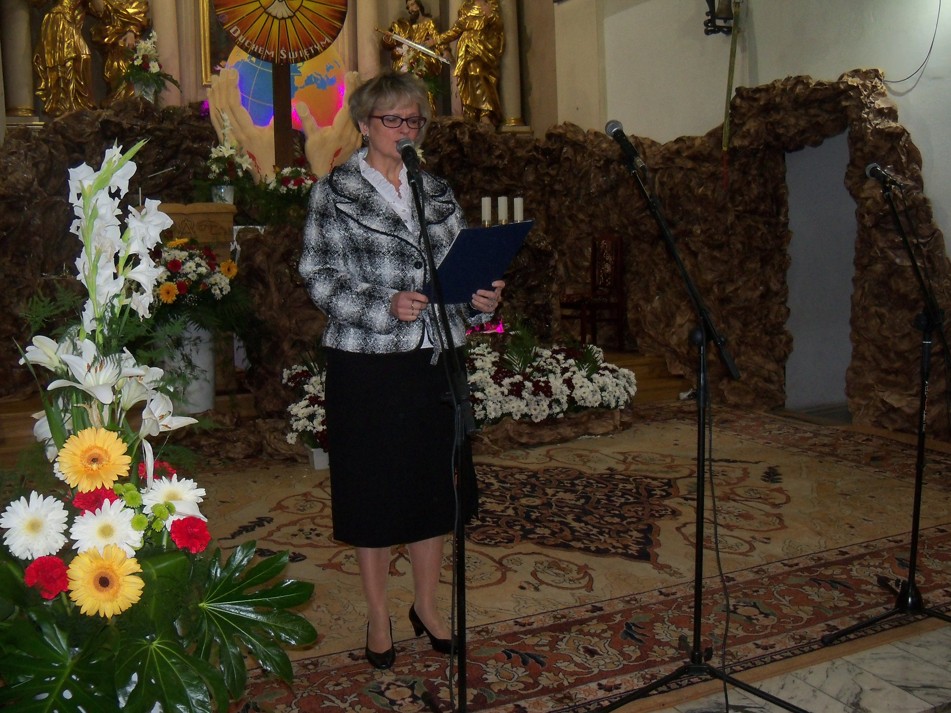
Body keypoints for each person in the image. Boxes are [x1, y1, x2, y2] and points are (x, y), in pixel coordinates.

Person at [298, 71, 504, 669]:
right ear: (365, 126)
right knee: (374, 492)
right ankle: (379, 615)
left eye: (414, 119)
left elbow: (457, 268)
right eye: (393, 119)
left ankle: (426, 606)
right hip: (367, 363)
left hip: (434, 358)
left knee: (432, 489)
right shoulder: (334, 192)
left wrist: (481, 299)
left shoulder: (436, 191)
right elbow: (318, 276)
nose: (405, 129)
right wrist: (383, 305)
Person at [431, 0, 503, 126]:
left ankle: (485, 113)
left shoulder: (491, 5)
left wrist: (490, 15)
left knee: (479, 75)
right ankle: (471, 113)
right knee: (466, 80)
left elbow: (498, 27)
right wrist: (436, 40)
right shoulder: (466, 7)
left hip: (482, 48)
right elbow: (455, 30)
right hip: (466, 49)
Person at [32, 0, 97, 117]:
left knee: (84, 57)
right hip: (57, 19)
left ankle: (80, 105)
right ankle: (64, 105)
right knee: (63, 61)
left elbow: (100, 10)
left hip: (71, 21)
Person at [381, 0, 444, 115]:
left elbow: (438, 42)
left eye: (412, 5)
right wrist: (389, 38)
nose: (410, 9)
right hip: (409, 62)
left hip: (423, 62)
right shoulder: (407, 27)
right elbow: (390, 44)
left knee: (425, 97)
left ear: (419, 5)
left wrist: (436, 45)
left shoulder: (428, 23)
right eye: (408, 7)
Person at [88, 0, 151, 103]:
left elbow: (139, 11)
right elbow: (101, 10)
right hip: (111, 37)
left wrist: (131, 31)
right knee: (115, 70)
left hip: (130, 42)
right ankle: (118, 99)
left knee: (127, 68)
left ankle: (126, 100)